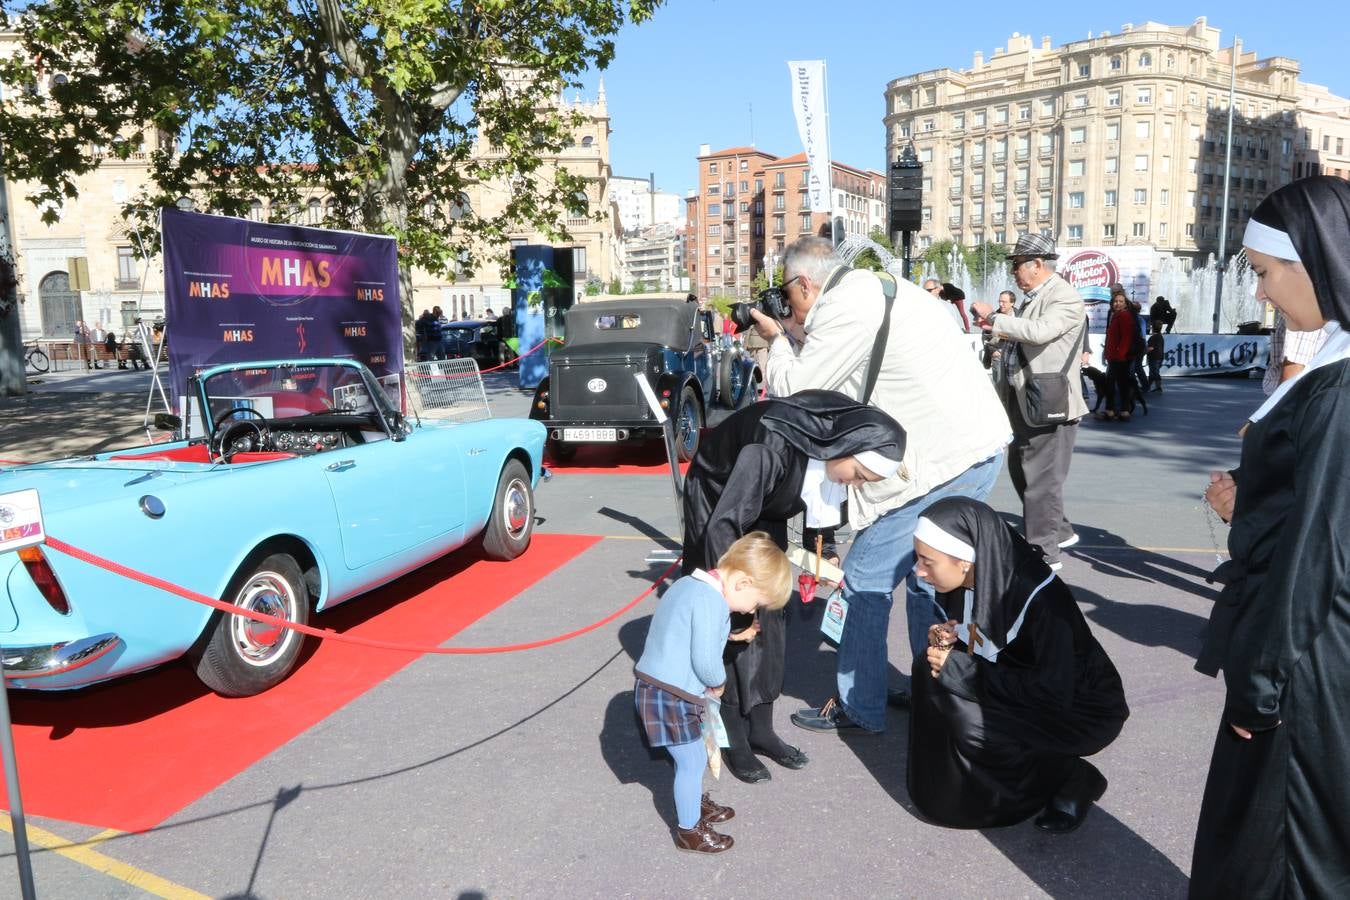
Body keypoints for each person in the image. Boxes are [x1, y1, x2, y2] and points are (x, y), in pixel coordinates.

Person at [749, 236, 1010, 734]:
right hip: (973, 447)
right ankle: (932, 688)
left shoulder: (844, 308)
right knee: (925, 576)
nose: (789, 306)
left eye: (788, 295)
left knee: (866, 577)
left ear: (806, 283)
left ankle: (861, 706)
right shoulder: (880, 287)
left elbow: (797, 393)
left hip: (940, 461)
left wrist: (779, 339)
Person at [1193, 176, 1350, 898]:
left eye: (1263, 273)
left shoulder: (1342, 386)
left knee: (1283, 853)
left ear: (1316, 261)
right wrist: (1249, 503)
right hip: (1309, 649)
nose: (1259, 295)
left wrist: (1262, 684)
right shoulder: (1333, 365)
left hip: (1304, 657)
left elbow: (1320, 554)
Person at [682, 389, 906, 776]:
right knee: (736, 626)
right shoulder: (769, 450)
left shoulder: (830, 448)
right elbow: (726, 523)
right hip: (718, 503)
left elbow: (826, 491)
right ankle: (733, 736)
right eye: (859, 475)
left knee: (774, 610)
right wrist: (734, 613)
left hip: (766, 503)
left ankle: (762, 729)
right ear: (847, 448)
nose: (855, 484)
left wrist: (828, 546)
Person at [906, 498, 1128, 832]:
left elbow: (1051, 692)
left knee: (972, 720)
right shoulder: (971, 574)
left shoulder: (1042, 602)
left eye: (927, 561)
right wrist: (951, 640)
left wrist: (962, 669)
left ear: (964, 561)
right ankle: (964, 786)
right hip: (1021, 688)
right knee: (929, 671)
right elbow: (983, 640)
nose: (918, 571)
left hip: (1079, 711)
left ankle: (1065, 775)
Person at [634, 532, 792, 854]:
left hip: (658, 686)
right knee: (692, 760)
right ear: (744, 582)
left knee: (691, 757)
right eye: (757, 603)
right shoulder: (713, 603)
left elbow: (686, 630)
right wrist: (718, 682)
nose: (753, 610)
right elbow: (706, 660)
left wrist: (733, 637)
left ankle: (692, 803)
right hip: (672, 693)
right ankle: (688, 830)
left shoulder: (689, 586)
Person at [970, 233, 1086, 570]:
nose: (1014, 273)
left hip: (1051, 404)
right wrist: (992, 327)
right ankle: (1060, 530)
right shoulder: (1036, 295)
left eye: (1017, 265)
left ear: (1037, 265)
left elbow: (1039, 332)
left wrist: (995, 318)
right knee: (1025, 474)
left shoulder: (1064, 297)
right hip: (1027, 401)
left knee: (1040, 482)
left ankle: (1044, 556)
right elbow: (1022, 337)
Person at [1261, 310, 1327, 396]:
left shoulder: (1302, 310)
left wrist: (1281, 405)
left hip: (1299, 399)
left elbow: (1294, 368)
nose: (1260, 296)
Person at [1100, 291, 1135, 421]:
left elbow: (1126, 338)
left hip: (1120, 358)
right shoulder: (1116, 316)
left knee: (1115, 384)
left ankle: (1115, 411)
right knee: (1119, 384)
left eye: (1121, 301)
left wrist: (1120, 354)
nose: (1117, 303)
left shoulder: (1124, 316)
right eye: (1115, 301)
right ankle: (1121, 411)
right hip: (1115, 357)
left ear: (1125, 304)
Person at [1145, 320, 1165, 393]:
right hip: (1159, 357)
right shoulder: (1160, 337)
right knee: (1152, 372)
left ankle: (1158, 387)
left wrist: (1144, 352)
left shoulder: (1152, 338)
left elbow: (1151, 348)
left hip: (1154, 357)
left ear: (1152, 328)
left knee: (1155, 372)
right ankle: (1148, 386)